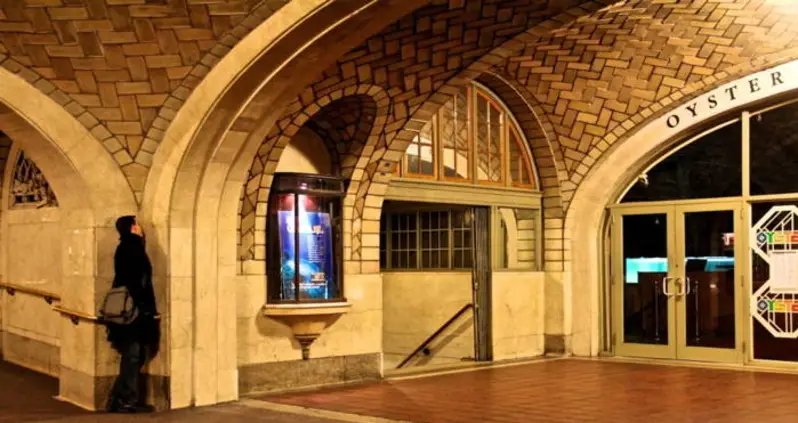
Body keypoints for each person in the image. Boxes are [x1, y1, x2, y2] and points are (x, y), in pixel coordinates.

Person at [106, 216, 159, 413]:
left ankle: (120, 398)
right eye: (136, 224)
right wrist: (146, 309)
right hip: (133, 313)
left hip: (131, 311)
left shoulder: (127, 247)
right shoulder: (132, 248)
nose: (140, 227)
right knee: (133, 356)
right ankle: (125, 400)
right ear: (131, 228)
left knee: (132, 356)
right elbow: (137, 282)